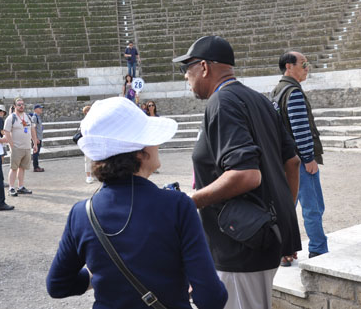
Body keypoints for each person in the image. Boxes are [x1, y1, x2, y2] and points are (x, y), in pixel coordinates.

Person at [46, 97, 228, 309]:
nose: (157, 144)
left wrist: (98, 275)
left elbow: (58, 285)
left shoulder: (81, 213)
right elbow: (211, 298)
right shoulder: (177, 206)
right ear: (140, 153)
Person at [172, 36, 301, 309]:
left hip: (240, 246)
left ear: (204, 67)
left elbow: (246, 175)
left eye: (188, 67)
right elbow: (293, 162)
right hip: (259, 237)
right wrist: (281, 215)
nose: (186, 75)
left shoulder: (222, 102)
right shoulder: (260, 100)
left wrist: (188, 201)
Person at [271, 52, 329, 264]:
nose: (307, 68)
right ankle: (318, 248)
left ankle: (283, 250)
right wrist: (308, 157)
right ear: (289, 66)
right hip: (300, 161)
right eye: (303, 64)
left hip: (285, 160)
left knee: (286, 208)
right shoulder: (293, 92)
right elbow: (300, 129)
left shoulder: (277, 91)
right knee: (313, 206)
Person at [3, 97, 39, 196]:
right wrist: (11, 145)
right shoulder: (11, 118)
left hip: (27, 147)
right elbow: (6, 132)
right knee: (14, 168)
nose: (21, 106)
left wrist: (35, 143)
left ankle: (21, 186)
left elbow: (32, 130)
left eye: (23, 104)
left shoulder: (27, 116)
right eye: (19, 104)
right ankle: (11, 187)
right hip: (16, 148)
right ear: (14, 106)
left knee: (22, 168)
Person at [79, 105, 94, 184]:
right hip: (88, 142)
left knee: (94, 159)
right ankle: (88, 176)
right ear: (86, 112)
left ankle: (92, 174)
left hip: (93, 141)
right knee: (88, 160)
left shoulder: (93, 120)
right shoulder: (84, 121)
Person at [31, 104, 45, 172]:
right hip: (37, 138)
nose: (41, 109)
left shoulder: (38, 117)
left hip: (39, 137)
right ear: (36, 109)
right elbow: (33, 128)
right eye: (40, 108)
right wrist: (35, 138)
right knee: (35, 153)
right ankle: (36, 167)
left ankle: (36, 166)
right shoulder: (34, 117)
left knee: (37, 152)